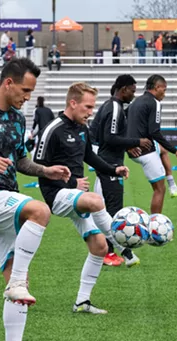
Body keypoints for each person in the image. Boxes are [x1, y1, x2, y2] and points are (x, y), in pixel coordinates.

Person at [0, 58, 71, 341]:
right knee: (39, 209)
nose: (28, 96)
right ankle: (17, 281)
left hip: (2, 200)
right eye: (25, 90)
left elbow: (21, 161)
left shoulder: (17, 118)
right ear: (8, 82)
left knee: (18, 281)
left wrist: (46, 170)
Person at [34, 82, 129, 315]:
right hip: (56, 195)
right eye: (87, 107)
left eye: (93, 107)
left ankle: (82, 302)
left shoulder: (83, 129)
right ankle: (121, 240)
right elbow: (38, 169)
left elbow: (90, 158)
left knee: (98, 247)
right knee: (96, 200)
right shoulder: (53, 128)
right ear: (73, 103)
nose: (91, 112)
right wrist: (70, 183)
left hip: (76, 195)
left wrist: (112, 170)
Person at [92, 75, 152, 267]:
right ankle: (110, 253)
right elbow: (109, 138)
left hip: (108, 161)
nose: (133, 95)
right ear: (124, 89)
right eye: (132, 91)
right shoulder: (115, 108)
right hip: (110, 164)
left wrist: (126, 147)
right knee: (112, 210)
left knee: (107, 209)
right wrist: (137, 141)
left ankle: (113, 252)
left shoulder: (110, 106)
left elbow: (104, 136)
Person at [126, 75, 177, 213]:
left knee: (162, 150)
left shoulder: (135, 102)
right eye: (164, 90)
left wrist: (128, 145)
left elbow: (125, 124)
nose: (164, 93)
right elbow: (155, 132)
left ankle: (172, 184)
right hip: (146, 151)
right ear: (157, 87)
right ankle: (155, 224)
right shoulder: (155, 103)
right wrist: (175, 150)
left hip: (133, 150)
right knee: (159, 189)